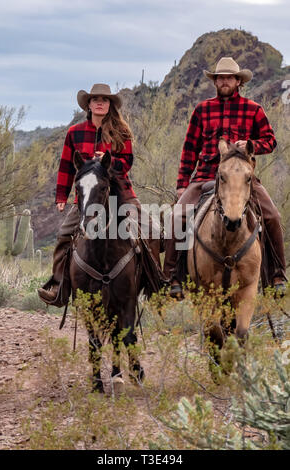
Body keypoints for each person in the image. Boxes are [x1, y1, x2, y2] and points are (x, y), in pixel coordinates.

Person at [164, 57, 287, 297]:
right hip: (205, 177)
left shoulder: (253, 110)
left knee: (272, 216)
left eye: (229, 77)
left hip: (241, 180)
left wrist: (250, 144)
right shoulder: (202, 110)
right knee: (177, 215)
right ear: (215, 82)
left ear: (238, 81)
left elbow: (271, 141)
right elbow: (189, 149)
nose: (224, 81)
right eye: (220, 78)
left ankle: (277, 275)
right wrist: (182, 185)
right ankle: (173, 277)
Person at [38, 83, 160, 302]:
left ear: (110, 105)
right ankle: (58, 285)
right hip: (86, 199)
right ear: (89, 105)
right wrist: (61, 197)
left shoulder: (121, 132)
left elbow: (127, 162)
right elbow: (66, 166)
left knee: (151, 229)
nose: (100, 103)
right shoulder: (74, 133)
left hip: (121, 193)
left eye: (105, 100)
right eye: (96, 100)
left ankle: (155, 281)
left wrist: (106, 163)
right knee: (64, 235)